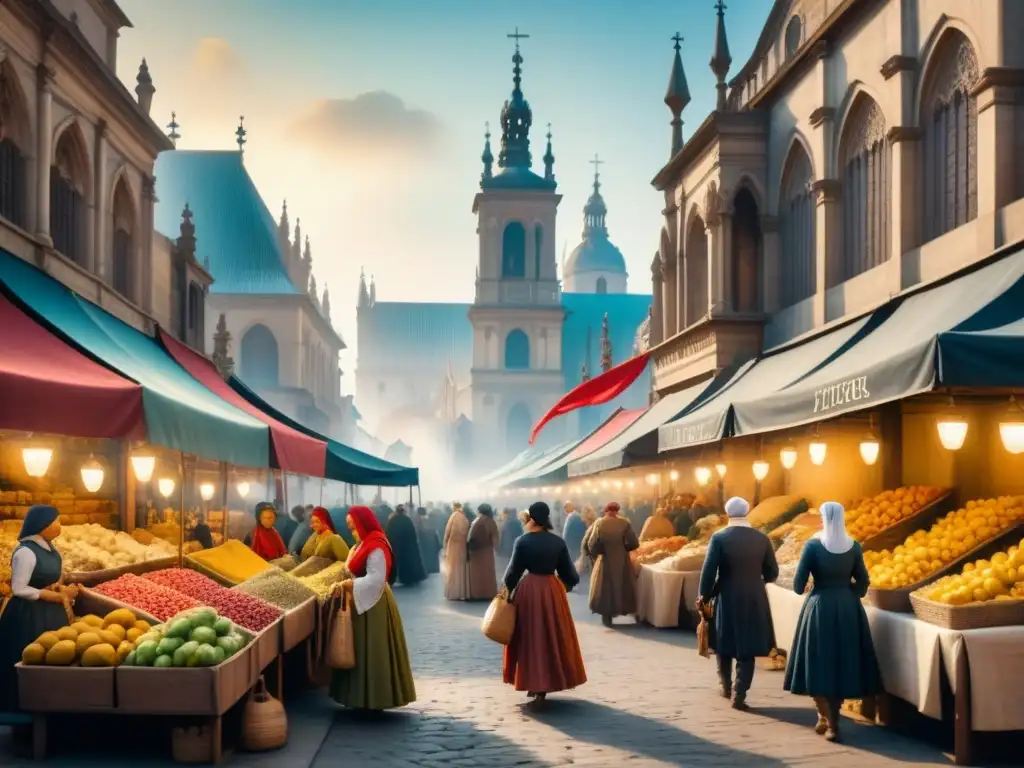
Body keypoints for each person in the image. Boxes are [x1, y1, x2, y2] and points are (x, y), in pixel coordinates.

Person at [784, 502, 882, 742]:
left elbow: (798, 585)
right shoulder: (854, 546)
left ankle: (827, 718)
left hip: (819, 608)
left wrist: (812, 587)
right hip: (848, 609)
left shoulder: (813, 546)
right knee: (840, 663)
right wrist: (849, 592)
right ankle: (830, 719)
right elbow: (863, 582)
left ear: (823, 519)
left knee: (818, 662)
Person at [697, 496, 779, 711]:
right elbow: (772, 572)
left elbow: (708, 571)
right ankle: (739, 694)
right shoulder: (762, 538)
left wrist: (704, 596)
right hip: (754, 596)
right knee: (747, 644)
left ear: (727, 513)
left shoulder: (719, 538)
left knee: (725, 641)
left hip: (726, 595)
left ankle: (725, 686)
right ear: (747, 512)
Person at [332, 506, 416, 710]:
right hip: (361, 601)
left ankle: (375, 698)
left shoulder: (376, 545)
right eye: (349, 527)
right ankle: (358, 698)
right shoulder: (363, 544)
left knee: (372, 650)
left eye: (353, 527)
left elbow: (377, 578)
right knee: (360, 649)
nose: (351, 531)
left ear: (363, 524)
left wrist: (348, 585)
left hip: (373, 603)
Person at [502, 501, 587, 703]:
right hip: (551, 590)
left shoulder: (522, 541)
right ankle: (549, 680)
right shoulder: (558, 542)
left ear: (531, 518)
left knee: (530, 637)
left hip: (529, 591)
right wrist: (561, 587)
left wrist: (508, 592)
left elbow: (512, 573)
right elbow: (571, 575)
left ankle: (533, 681)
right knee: (551, 637)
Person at [0, 506, 78, 715]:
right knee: (30, 664)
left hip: (51, 615)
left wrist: (61, 588)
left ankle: (52, 713)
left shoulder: (50, 549)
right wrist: (51, 595)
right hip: (29, 616)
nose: (60, 526)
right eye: (57, 521)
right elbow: (19, 588)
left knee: (52, 664)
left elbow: (50, 580)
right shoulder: (26, 551)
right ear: (43, 524)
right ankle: (24, 717)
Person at [582, 502, 640, 626]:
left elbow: (591, 544)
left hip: (605, 559)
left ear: (605, 511)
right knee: (623, 584)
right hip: (622, 559)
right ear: (617, 511)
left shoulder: (599, 523)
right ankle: (623, 608)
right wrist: (623, 548)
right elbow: (634, 543)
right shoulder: (625, 523)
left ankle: (607, 615)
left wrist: (598, 553)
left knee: (605, 586)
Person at [384, 505, 428, 586]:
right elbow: (412, 535)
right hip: (407, 545)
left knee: (393, 562)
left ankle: (390, 579)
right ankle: (409, 577)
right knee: (408, 561)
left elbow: (388, 533)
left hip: (395, 544)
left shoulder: (392, 520)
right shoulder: (407, 520)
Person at [467, 503, 500, 600]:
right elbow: (495, 537)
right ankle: (488, 593)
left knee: (476, 573)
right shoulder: (490, 521)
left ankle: (477, 593)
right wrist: (497, 549)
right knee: (487, 572)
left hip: (475, 551)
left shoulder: (476, 520)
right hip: (486, 551)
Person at [442, 502, 472, 601]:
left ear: (454, 507)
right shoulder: (464, 518)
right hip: (462, 546)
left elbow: (447, 533)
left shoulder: (453, 516)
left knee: (452, 569)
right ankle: (463, 592)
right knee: (461, 569)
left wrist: (445, 546)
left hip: (453, 546)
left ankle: (453, 592)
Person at [414, 507, 441, 575]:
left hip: (425, 544)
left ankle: (429, 569)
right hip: (431, 543)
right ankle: (433, 569)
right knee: (432, 558)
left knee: (427, 558)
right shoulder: (428, 520)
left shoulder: (418, 521)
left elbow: (420, 531)